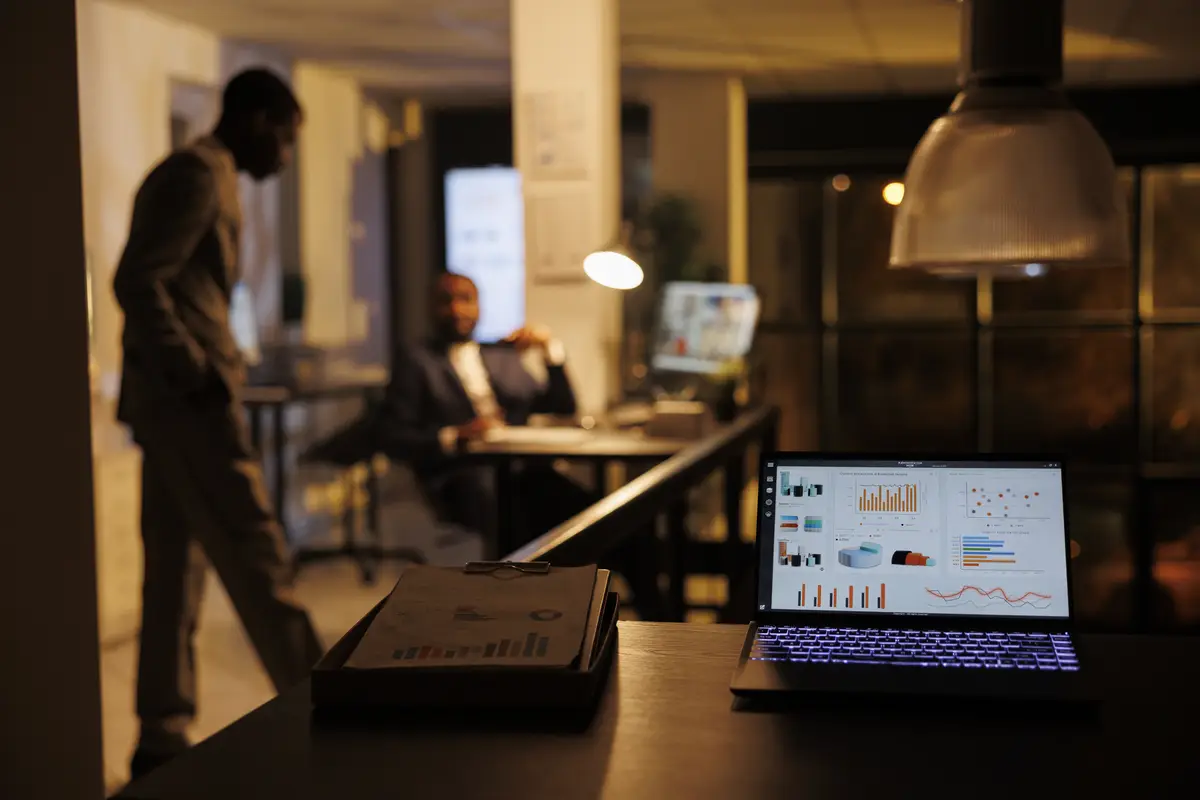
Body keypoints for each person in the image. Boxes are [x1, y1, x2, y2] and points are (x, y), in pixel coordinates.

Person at [113, 68, 322, 780]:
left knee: (174, 572)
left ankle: (160, 733)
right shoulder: (197, 175)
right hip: (188, 408)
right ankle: (328, 707)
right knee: (258, 552)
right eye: (288, 140)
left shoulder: (211, 174)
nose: (287, 158)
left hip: (172, 404)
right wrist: (193, 367)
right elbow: (137, 278)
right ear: (261, 120)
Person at [375, 272, 587, 549]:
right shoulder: (417, 361)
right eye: (445, 301)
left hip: (522, 470)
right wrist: (454, 435)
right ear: (430, 307)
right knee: (527, 519)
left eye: (466, 299)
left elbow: (562, 406)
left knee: (599, 513)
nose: (456, 309)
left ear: (479, 305)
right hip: (462, 474)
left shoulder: (499, 355)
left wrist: (549, 348)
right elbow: (393, 435)